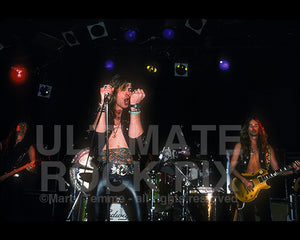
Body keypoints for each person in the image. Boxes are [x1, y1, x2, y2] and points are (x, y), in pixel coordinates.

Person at [87, 74, 146, 221]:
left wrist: (135, 107)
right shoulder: (102, 113)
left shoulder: (132, 116)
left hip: (129, 170)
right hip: (103, 169)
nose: (128, 92)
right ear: (114, 92)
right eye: (124, 89)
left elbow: (137, 145)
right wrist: (103, 102)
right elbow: (98, 138)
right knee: (95, 213)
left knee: (140, 214)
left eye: (130, 89)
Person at [230, 115, 299, 221]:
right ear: (246, 129)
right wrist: (244, 181)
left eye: (256, 125)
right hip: (245, 188)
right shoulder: (240, 146)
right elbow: (232, 168)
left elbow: (278, 172)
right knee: (248, 218)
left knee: (266, 217)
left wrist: (293, 170)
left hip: (261, 188)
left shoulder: (268, 148)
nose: (253, 128)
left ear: (260, 128)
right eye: (250, 125)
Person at [0, 121, 37, 220]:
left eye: (25, 125)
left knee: (13, 211)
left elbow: (34, 166)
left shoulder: (29, 147)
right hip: (3, 182)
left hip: (17, 184)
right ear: (15, 127)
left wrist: (32, 167)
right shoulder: (4, 143)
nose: (23, 126)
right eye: (21, 124)